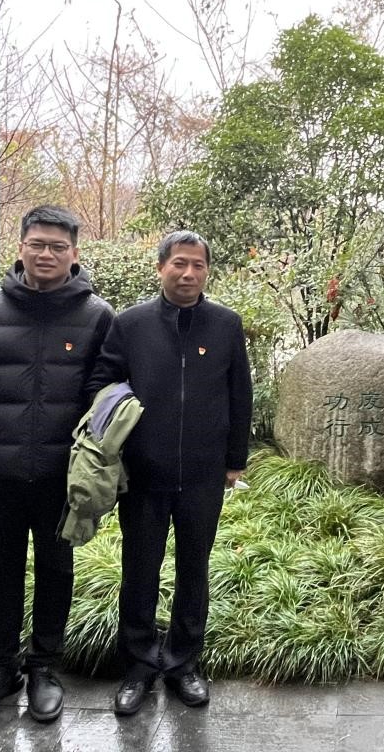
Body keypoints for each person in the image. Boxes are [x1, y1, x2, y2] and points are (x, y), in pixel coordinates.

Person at [0, 205, 114, 726]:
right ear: (20, 248)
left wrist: (98, 473)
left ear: (74, 254)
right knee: (1, 572)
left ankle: (44, 667)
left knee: (57, 571)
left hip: (64, 477)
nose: (46, 254)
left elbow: (107, 399)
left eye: (58, 246)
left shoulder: (98, 317)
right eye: (37, 244)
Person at [90, 230, 252, 714]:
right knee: (139, 570)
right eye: (179, 263)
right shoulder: (131, 323)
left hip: (204, 473)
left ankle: (183, 663)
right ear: (161, 267)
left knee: (193, 570)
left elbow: (239, 393)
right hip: (143, 471)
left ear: (207, 271)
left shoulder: (225, 324)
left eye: (198, 265)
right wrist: (120, 435)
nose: (188, 273)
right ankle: (139, 665)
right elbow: (103, 384)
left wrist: (234, 460)